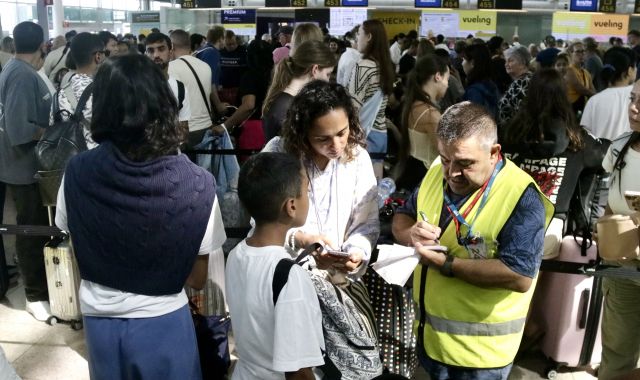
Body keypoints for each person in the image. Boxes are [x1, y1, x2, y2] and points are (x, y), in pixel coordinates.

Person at [55, 54, 225, 380]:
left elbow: (75, 242)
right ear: (165, 103)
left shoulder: (77, 170)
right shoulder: (196, 182)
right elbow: (197, 278)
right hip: (164, 319)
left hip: (98, 318)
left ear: (102, 104)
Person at [391, 101, 553, 380]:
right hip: (430, 343)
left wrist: (447, 264)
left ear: (494, 153)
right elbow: (402, 217)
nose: (452, 173)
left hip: (480, 358)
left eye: (465, 164)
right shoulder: (436, 173)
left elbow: (519, 275)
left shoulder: (521, 196)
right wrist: (410, 234)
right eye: (445, 159)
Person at [263, 80, 379, 281]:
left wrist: (357, 252)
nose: (336, 145)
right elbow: (261, 219)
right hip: (287, 277)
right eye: (323, 139)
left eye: (342, 133)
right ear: (303, 133)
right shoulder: (278, 153)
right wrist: (301, 240)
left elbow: (366, 223)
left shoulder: (358, 158)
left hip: (339, 281)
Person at [226, 152, 325, 379]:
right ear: (291, 206)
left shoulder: (236, 254)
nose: (308, 197)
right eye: (307, 192)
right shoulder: (289, 276)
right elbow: (299, 371)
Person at [0, 21, 52, 321]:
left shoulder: (15, 69)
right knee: (30, 229)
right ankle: (35, 294)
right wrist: (47, 132)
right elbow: (20, 130)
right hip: (23, 168)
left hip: (23, 166)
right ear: (42, 44)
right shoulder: (21, 75)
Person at [598, 78, 640, 380]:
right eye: (633, 99)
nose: (634, 108)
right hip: (622, 266)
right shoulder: (620, 146)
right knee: (616, 346)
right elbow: (609, 200)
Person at [347, 19, 395, 178]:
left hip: (364, 134)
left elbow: (352, 105)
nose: (357, 38)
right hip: (380, 133)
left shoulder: (364, 66)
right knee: (375, 190)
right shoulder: (384, 66)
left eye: (359, 34)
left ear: (368, 37)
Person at [262, 40, 336, 143]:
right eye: (327, 74)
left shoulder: (286, 101)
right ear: (315, 70)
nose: (327, 81)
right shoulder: (288, 107)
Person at [396, 54, 449, 191]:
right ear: (438, 76)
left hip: (411, 170)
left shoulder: (412, 104)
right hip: (426, 176)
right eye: (447, 79)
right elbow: (444, 151)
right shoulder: (430, 114)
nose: (447, 84)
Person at [51, 32, 105, 149]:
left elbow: (53, 127)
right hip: (97, 160)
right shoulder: (103, 91)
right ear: (98, 56)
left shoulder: (59, 94)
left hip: (68, 160)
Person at [169, 29, 214, 148]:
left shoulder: (171, 68)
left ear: (171, 46)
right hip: (206, 128)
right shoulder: (205, 66)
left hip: (186, 130)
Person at [581, 47, 637, 141]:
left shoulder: (594, 100)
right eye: (635, 67)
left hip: (600, 154)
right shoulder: (636, 96)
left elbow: (585, 135)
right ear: (629, 71)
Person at [144, 32, 191, 133]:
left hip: (171, 147)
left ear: (170, 53)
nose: (156, 55)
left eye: (161, 49)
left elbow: (183, 127)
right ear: (145, 55)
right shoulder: (135, 86)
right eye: (150, 50)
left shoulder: (180, 88)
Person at [461, 43, 500, 120]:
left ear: (472, 63)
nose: (462, 63)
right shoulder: (490, 83)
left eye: (464, 59)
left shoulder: (474, 91)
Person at [195, 26, 227, 116]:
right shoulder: (212, 53)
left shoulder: (202, 50)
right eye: (224, 38)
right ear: (220, 39)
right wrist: (218, 105)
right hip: (205, 100)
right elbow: (209, 81)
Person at [498, 45, 532, 129]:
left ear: (523, 63)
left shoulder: (522, 83)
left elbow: (521, 115)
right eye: (505, 61)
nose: (506, 64)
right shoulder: (525, 79)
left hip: (517, 134)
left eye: (510, 61)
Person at [565, 41, 595, 114]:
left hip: (583, 110)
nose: (581, 54)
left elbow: (592, 89)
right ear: (570, 54)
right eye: (578, 52)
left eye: (583, 51)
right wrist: (598, 96)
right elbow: (581, 89)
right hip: (570, 110)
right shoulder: (568, 70)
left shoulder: (586, 72)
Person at [219, 30, 247, 105]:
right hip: (223, 89)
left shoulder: (243, 51)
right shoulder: (220, 52)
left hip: (239, 88)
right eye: (228, 44)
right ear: (224, 42)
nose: (231, 46)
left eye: (233, 44)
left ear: (236, 41)